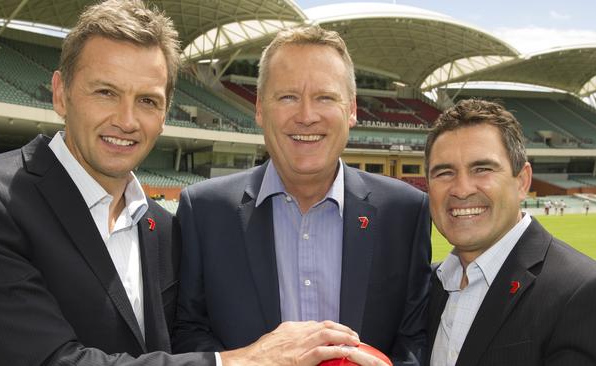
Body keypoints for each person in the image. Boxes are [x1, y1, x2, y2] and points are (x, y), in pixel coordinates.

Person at [0, 2, 384, 365]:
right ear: (60, 94)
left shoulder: (160, 227)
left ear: (165, 115)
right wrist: (239, 360)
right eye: (105, 92)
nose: (126, 120)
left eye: (147, 100)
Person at [173, 25, 432, 365]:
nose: (307, 116)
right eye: (288, 97)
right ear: (260, 109)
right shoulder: (203, 211)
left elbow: (414, 339)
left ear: (351, 109)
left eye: (325, 97)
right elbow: (187, 331)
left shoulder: (406, 211)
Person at [424, 99, 596, 366]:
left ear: (522, 182)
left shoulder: (583, 291)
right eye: (444, 173)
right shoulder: (427, 284)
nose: (461, 189)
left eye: (482, 169)